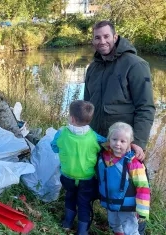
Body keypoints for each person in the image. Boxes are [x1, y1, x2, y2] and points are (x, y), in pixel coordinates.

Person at [84, 20, 155, 159]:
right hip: (95, 141)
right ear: (93, 41)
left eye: (106, 36)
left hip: (122, 145)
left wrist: (139, 142)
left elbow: (146, 107)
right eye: (97, 37)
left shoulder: (135, 65)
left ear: (115, 37)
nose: (102, 41)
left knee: (122, 180)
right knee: (97, 179)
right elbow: (86, 105)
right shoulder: (93, 68)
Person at [51, 100, 106, 235]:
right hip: (86, 179)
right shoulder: (94, 136)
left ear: (72, 118)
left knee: (70, 197)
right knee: (84, 204)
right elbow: (105, 143)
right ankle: (82, 231)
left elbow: (54, 147)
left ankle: (67, 224)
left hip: (67, 176)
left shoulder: (61, 133)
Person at [96, 122, 150, 235]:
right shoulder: (104, 156)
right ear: (109, 139)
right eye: (114, 139)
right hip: (111, 202)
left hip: (127, 207)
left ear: (130, 143)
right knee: (114, 224)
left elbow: (143, 187)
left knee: (130, 229)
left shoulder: (133, 162)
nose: (117, 144)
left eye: (122, 141)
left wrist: (142, 210)